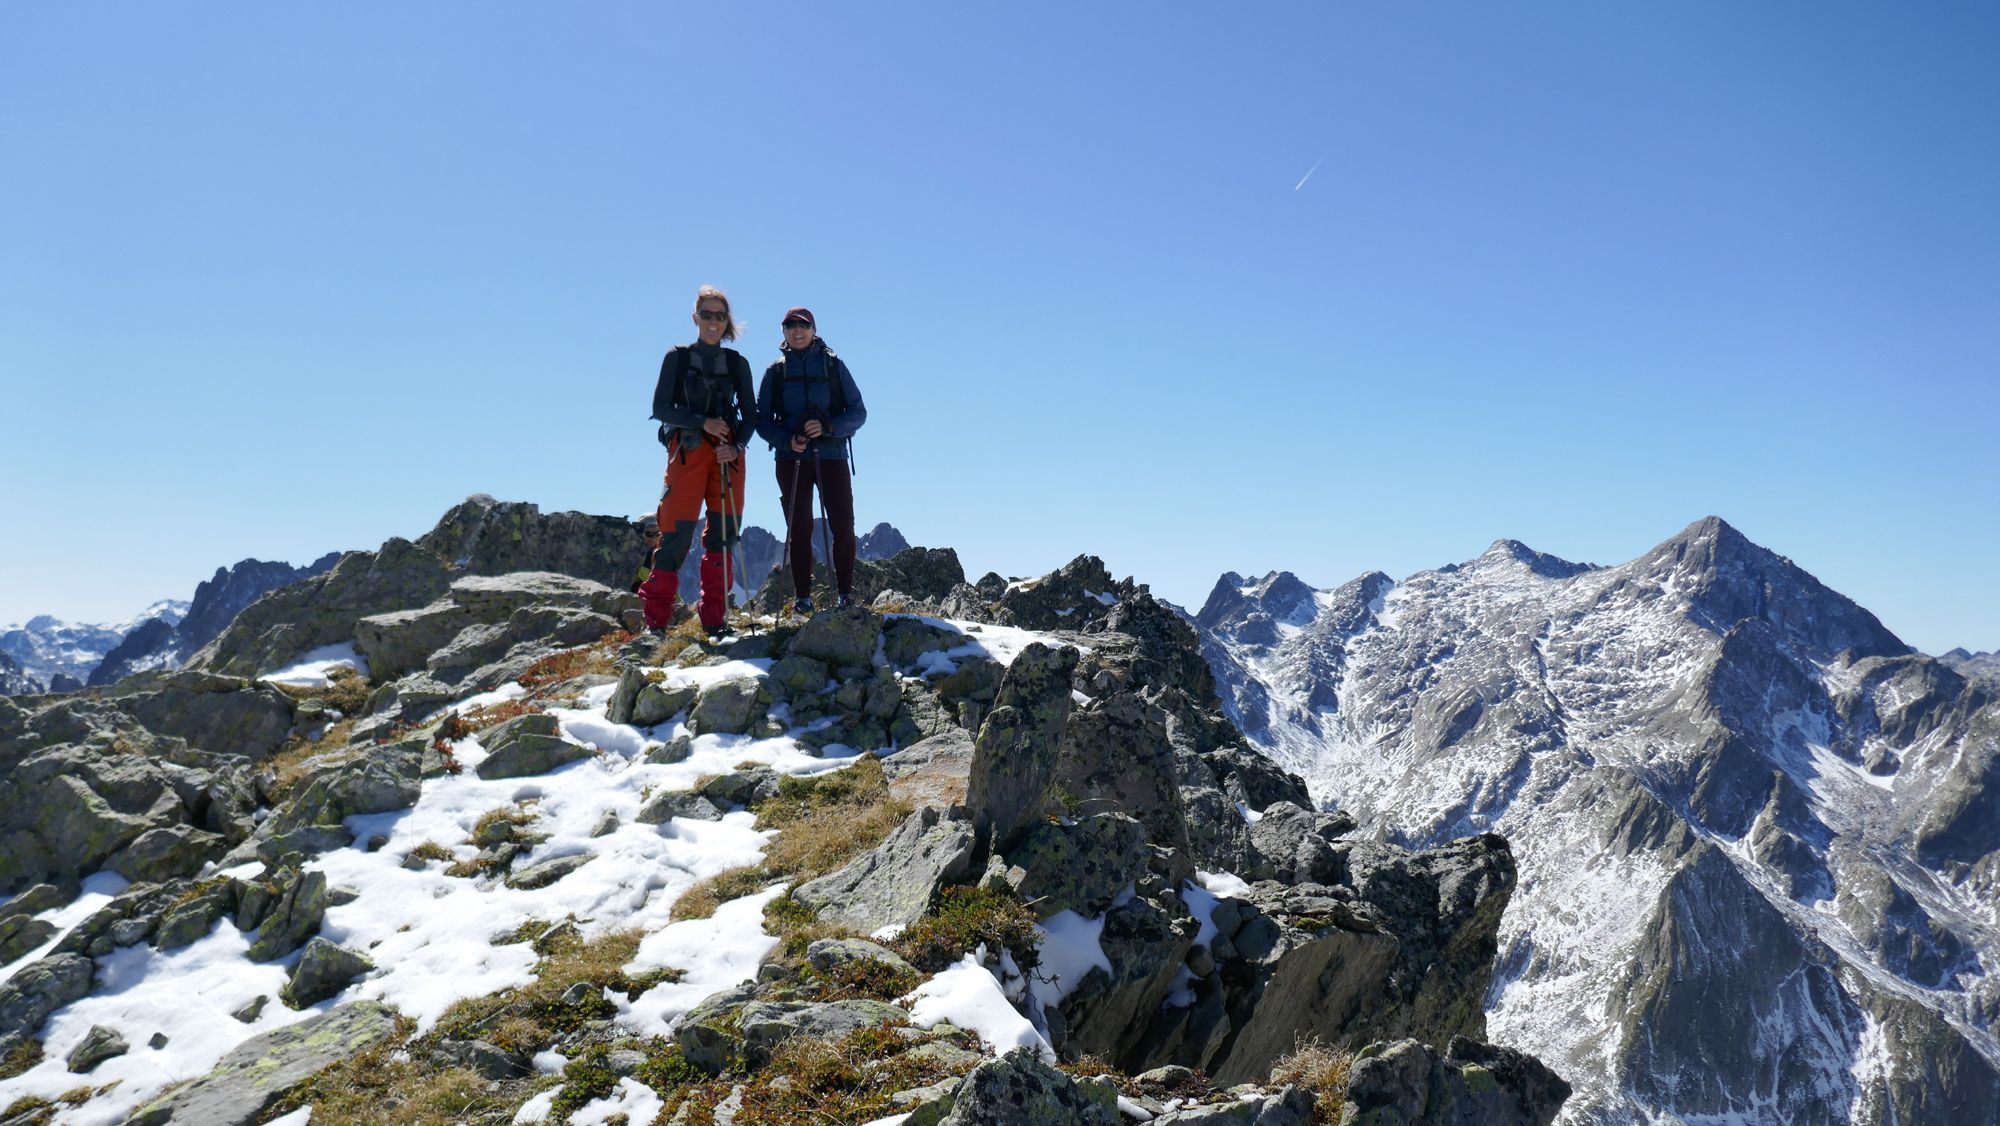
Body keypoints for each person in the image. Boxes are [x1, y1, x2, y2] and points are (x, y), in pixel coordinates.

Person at [639, 286, 757, 637]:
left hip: (727, 456)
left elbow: (751, 416)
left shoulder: (737, 364)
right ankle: (656, 623)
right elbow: (660, 408)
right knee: (674, 535)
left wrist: (736, 446)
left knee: (723, 536)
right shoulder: (676, 358)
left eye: (719, 316)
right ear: (695, 318)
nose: (713, 322)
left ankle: (715, 619)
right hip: (688, 452)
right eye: (707, 314)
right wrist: (702, 422)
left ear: (726, 322)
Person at [755, 306, 867, 613]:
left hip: (831, 455)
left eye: (802, 325)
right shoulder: (775, 372)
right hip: (791, 458)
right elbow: (761, 420)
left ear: (813, 329)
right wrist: (786, 439)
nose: (796, 329)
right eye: (790, 325)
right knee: (799, 529)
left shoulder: (834, 366)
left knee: (842, 525)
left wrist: (829, 426)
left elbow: (859, 412)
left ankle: (845, 594)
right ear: (784, 333)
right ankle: (802, 599)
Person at [629, 517, 661, 594]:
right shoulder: (630, 551)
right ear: (641, 534)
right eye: (649, 534)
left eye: (658, 534)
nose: (654, 538)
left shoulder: (658, 552)